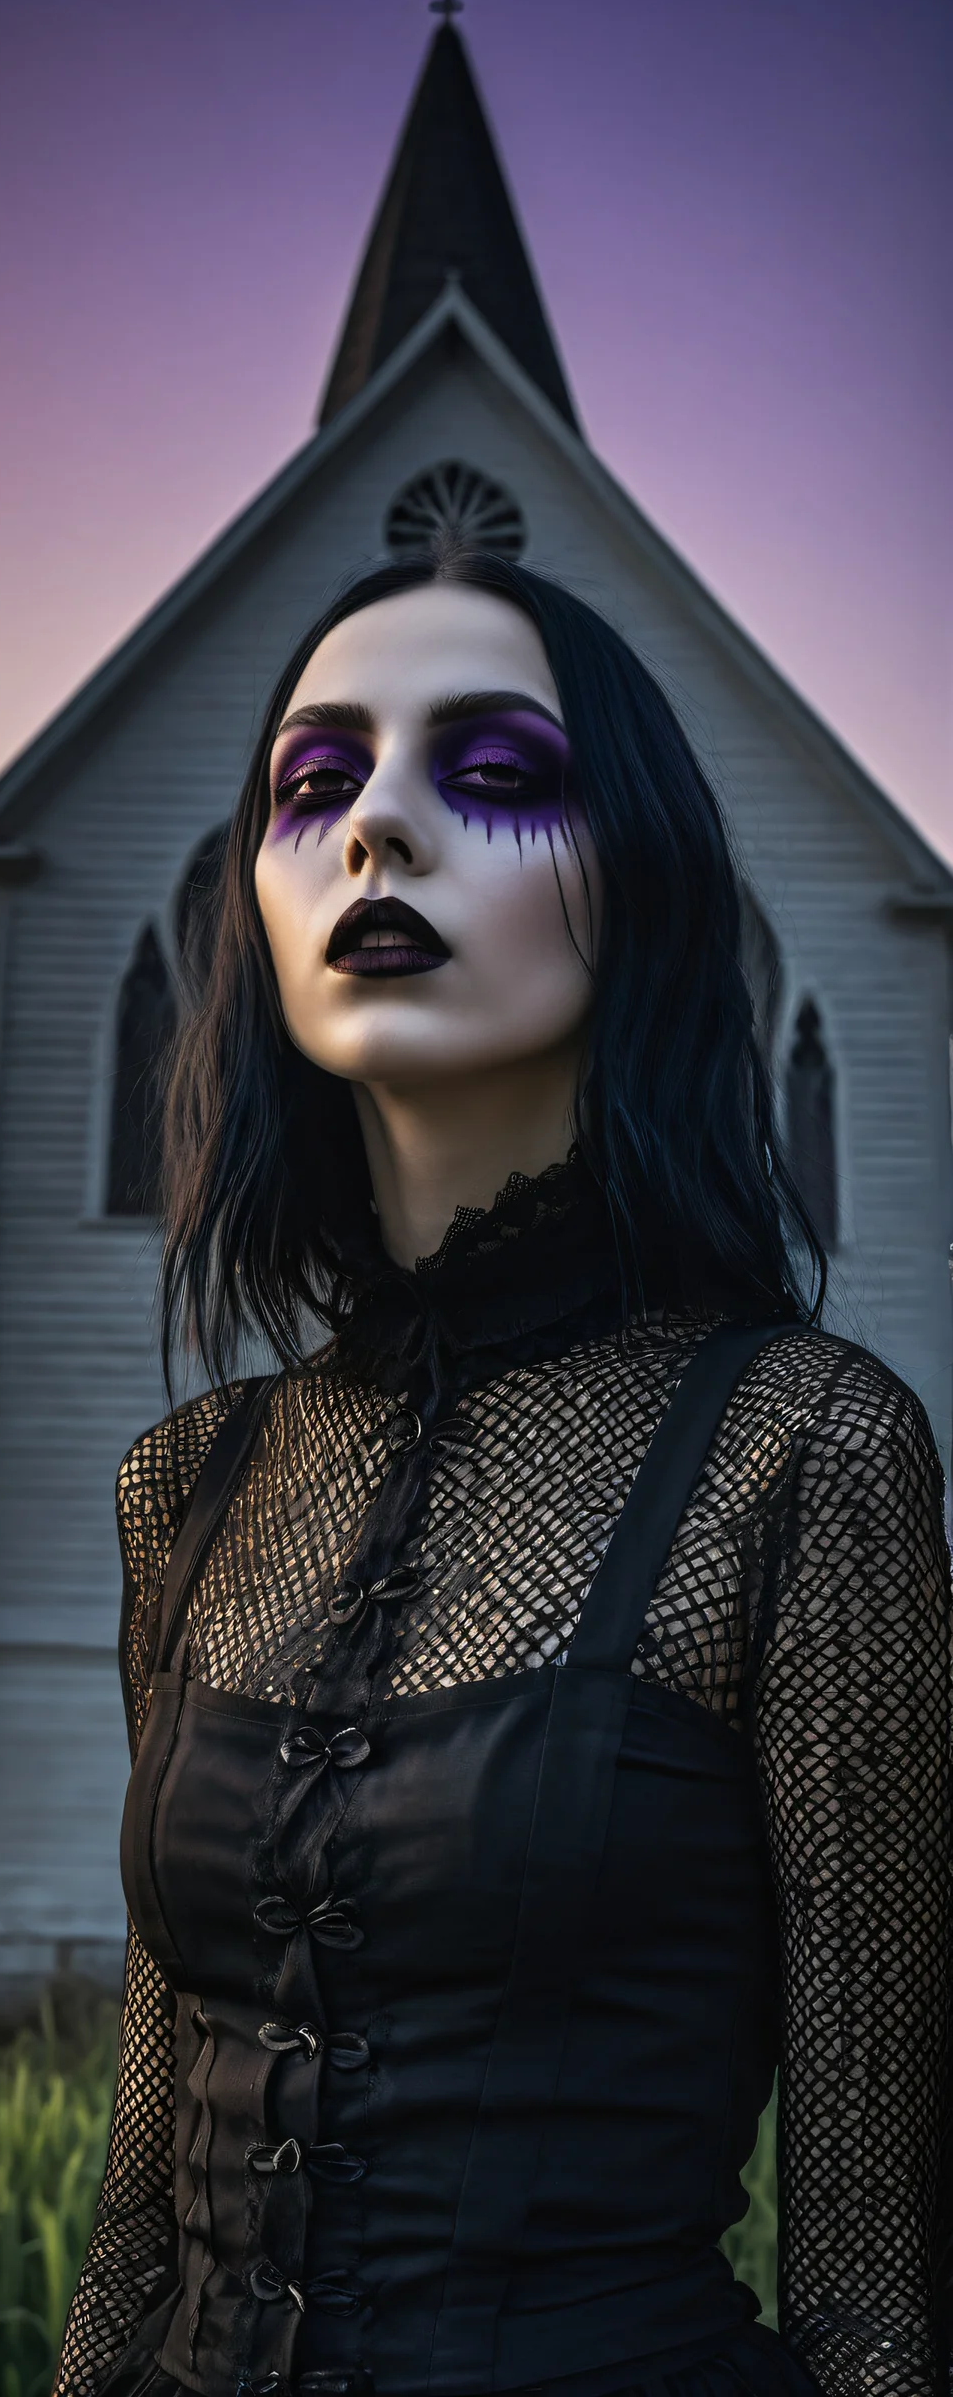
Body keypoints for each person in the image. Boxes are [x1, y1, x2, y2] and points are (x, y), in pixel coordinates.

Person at [55, 550, 953, 2397]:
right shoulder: (191, 1484)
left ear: (642, 876)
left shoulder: (805, 1453)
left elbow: (877, 2294)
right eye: (316, 781)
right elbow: (138, 2217)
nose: (376, 825)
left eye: (495, 773)